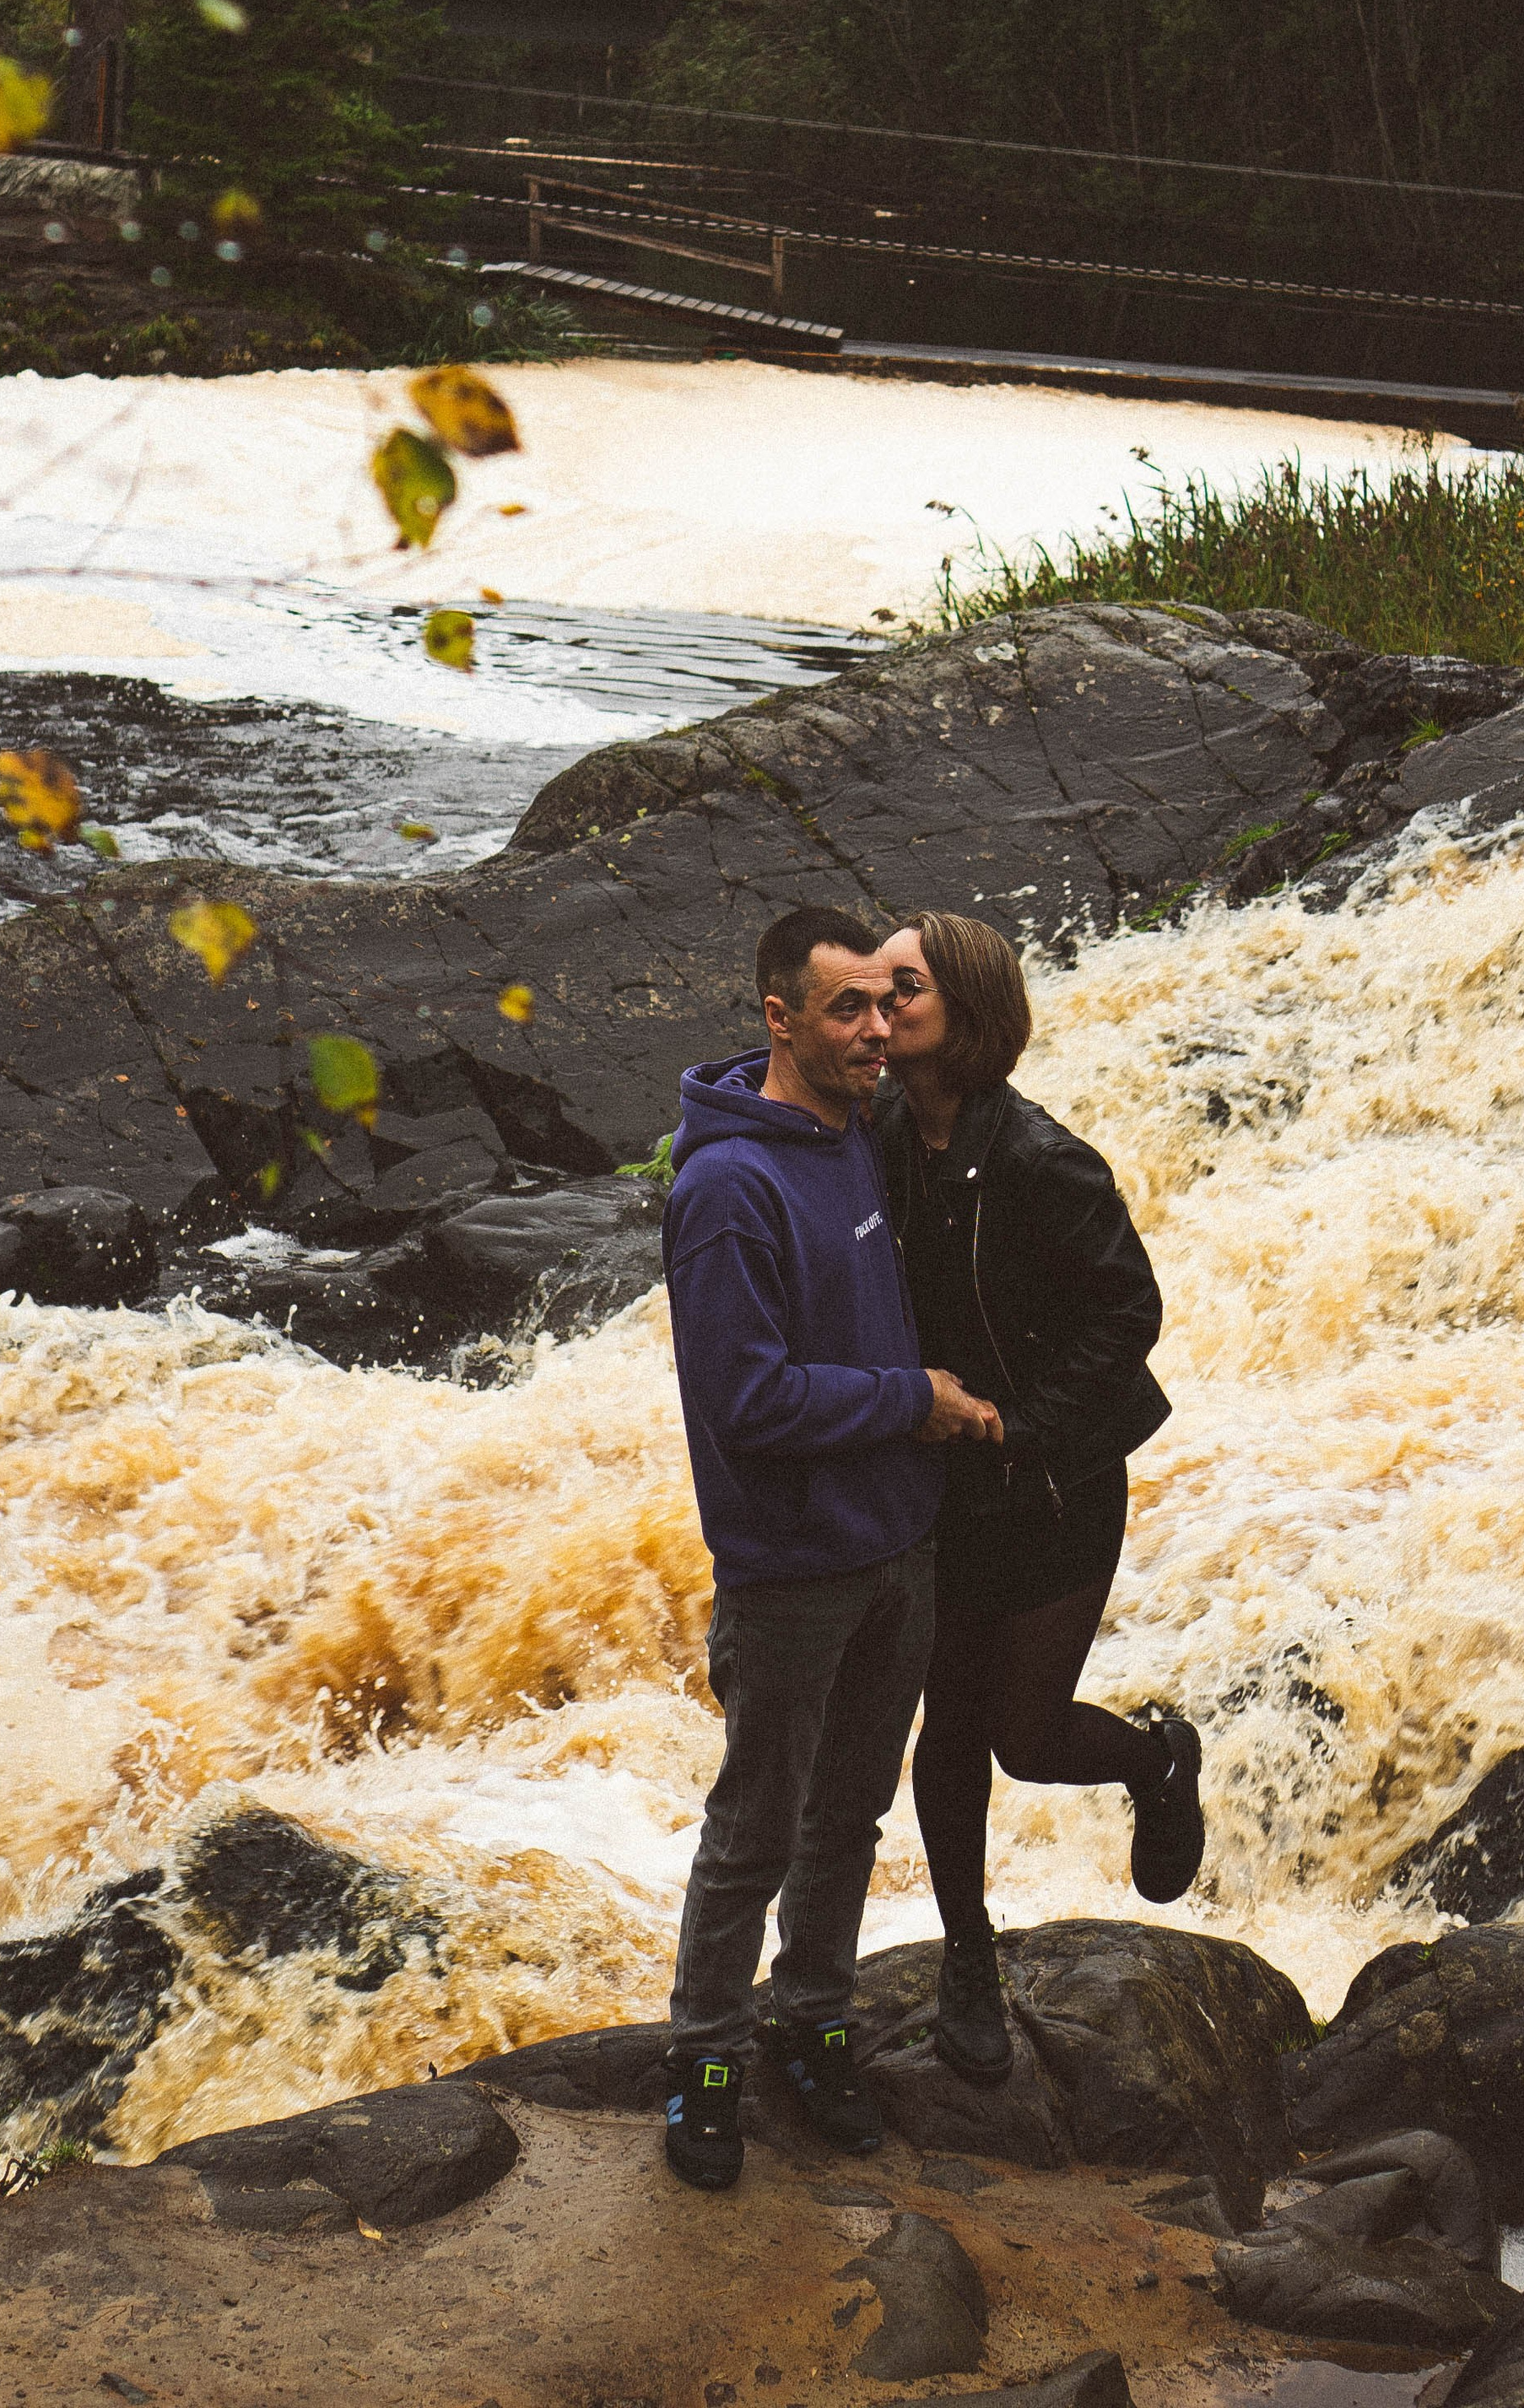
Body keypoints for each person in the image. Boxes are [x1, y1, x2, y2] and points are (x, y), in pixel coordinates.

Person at [659, 903, 1002, 2193]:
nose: (875, 1031)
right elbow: (748, 1402)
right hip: (792, 1569)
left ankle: (812, 2025)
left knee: (849, 1817)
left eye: (884, 1004)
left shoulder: (853, 1129)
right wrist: (911, 1400)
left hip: (896, 1547)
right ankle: (703, 2063)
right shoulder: (727, 1189)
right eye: (846, 1009)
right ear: (778, 1018)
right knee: (757, 1826)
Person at [874, 909, 1202, 2089]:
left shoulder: (1041, 1160)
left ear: (965, 1011)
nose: (878, 1007)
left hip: (1056, 1482)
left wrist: (1022, 1429)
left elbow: (1128, 1314)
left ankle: (1159, 1762)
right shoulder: (875, 1136)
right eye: (865, 991)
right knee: (949, 1733)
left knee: (1026, 1736)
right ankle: (970, 1958)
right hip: (939, 1481)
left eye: (902, 988)